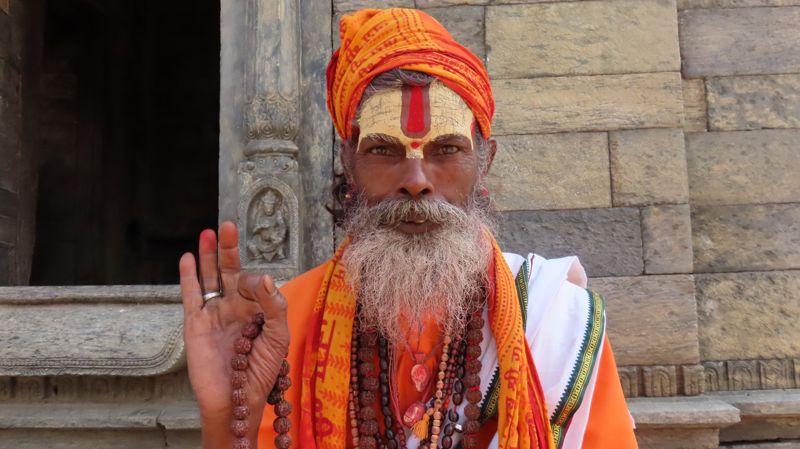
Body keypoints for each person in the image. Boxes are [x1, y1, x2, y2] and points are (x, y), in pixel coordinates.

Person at [179, 8, 638, 449]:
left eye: (446, 149)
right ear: (349, 163)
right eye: (384, 150)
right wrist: (224, 415)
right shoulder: (285, 327)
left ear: (484, 163)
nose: (416, 181)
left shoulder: (556, 320)